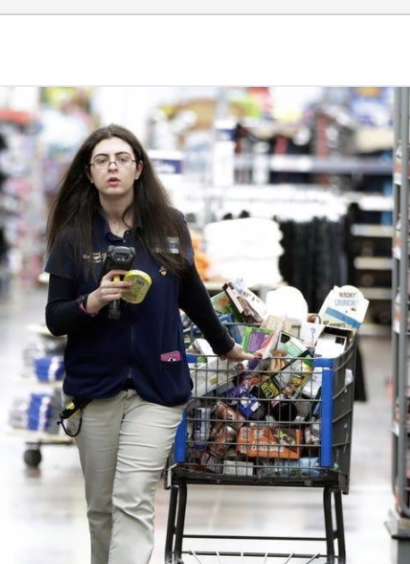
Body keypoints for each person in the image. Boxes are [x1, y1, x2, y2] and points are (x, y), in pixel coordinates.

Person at [44, 124, 251, 564]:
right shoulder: (73, 236)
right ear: (90, 172)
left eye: (122, 158)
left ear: (139, 168)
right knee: (101, 508)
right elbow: (55, 317)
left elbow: (191, 290)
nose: (112, 167)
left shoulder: (168, 224)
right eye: (102, 160)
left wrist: (224, 345)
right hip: (93, 388)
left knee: (133, 498)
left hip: (158, 386)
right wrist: (92, 301)